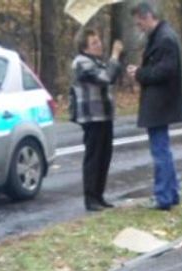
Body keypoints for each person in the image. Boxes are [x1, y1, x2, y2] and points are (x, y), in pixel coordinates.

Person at [125, 2, 182, 211]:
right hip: (160, 103)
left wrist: (139, 74)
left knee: (160, 151)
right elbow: (160, 67)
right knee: (163, 149)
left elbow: (166, 70)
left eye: (139, 21)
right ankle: (172, 192)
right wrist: (142, 70)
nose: (138, 26)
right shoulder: (160, 36)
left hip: (160, 103)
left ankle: (164, 196)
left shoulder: (165, 38)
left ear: (148, 16)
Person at [71, 28, 123, 212]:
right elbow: (106, 78)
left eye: (99, 40)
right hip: (92, 117)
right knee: (94, 157)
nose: (99, 44)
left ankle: (99, 195)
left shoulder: (97, 62)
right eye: (94, 43)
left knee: (104, 156)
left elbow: (113, 75)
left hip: (104, 116)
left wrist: (115, 60)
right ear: (84, 48)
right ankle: (90, 198)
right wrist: (115, 55)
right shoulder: (81, 63)